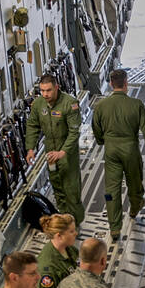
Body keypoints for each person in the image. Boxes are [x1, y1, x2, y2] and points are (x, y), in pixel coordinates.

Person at [92, 68, 145, 243]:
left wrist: (102, 141)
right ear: (126, 83)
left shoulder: (101, 106)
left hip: (111, 150)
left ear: (111, 84)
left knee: (111, 189)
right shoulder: (136, 104)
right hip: (130, 149)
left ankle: (114, 227)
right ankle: (135, 208)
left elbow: (96, 129)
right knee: (135, 183)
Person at [25, 75, 85, 223]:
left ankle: (76, 223)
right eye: (43, 91)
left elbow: (74, 132)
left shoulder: (70, 104)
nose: (45, 94)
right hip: (50, 153)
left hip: (67, 153)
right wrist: (30, 148)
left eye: (49, 90)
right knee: (57, 187)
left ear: (56, 87)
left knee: (71, 190)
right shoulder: (39, 104)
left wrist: (62, 152)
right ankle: (64, 221)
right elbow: (32, 126)